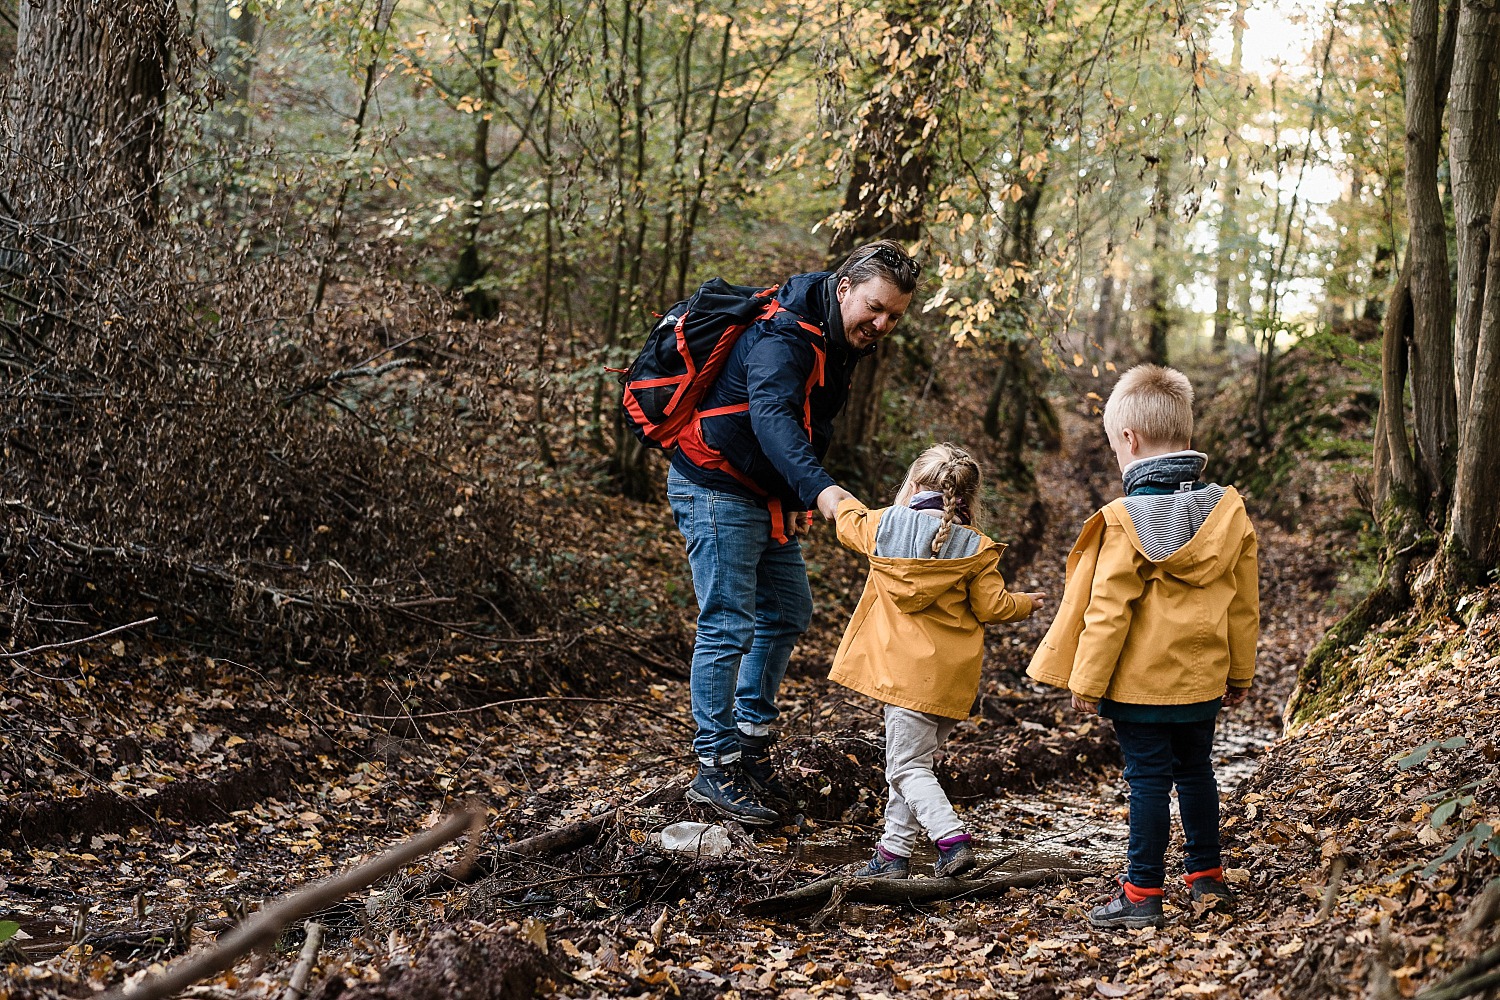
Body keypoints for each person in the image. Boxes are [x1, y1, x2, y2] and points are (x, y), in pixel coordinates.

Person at [668, 240, 922, 826]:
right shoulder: (785, 337)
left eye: (895, 317)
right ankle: (716, 765)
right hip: (714, 484)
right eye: (875, 308)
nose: (881, 324)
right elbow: (773, 417)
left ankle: (751, 743)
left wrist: (791, 491)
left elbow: (814, 418)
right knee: (727, 620)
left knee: (786, 610)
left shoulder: (838, 337)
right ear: (844, 289)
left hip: (761, 490)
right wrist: (821, 489)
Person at [1026, 364, 1260, 928]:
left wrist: (1086, 680)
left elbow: (1109, 610)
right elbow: (1243, 603)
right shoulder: (1228, 514)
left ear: (1128, 440)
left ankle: (1141, 894)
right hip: (1202, 677)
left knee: (1149, 780)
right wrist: (1240, 673)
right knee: (1198, 772)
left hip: (1139, 685)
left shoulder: (1125, 522)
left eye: (1113, 449)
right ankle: (1206, 877)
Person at [826, 443, 1044, 877]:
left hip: (906, 680)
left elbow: (845, 518)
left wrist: (828, 492)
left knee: (906, 768)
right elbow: (993, 608)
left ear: (912, 483)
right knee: (912, 767)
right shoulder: (976, 548)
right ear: (969, 497)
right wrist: (1026, 604)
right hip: (951, 682)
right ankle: (892, 854)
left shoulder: (882, 526)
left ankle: (952, 839)